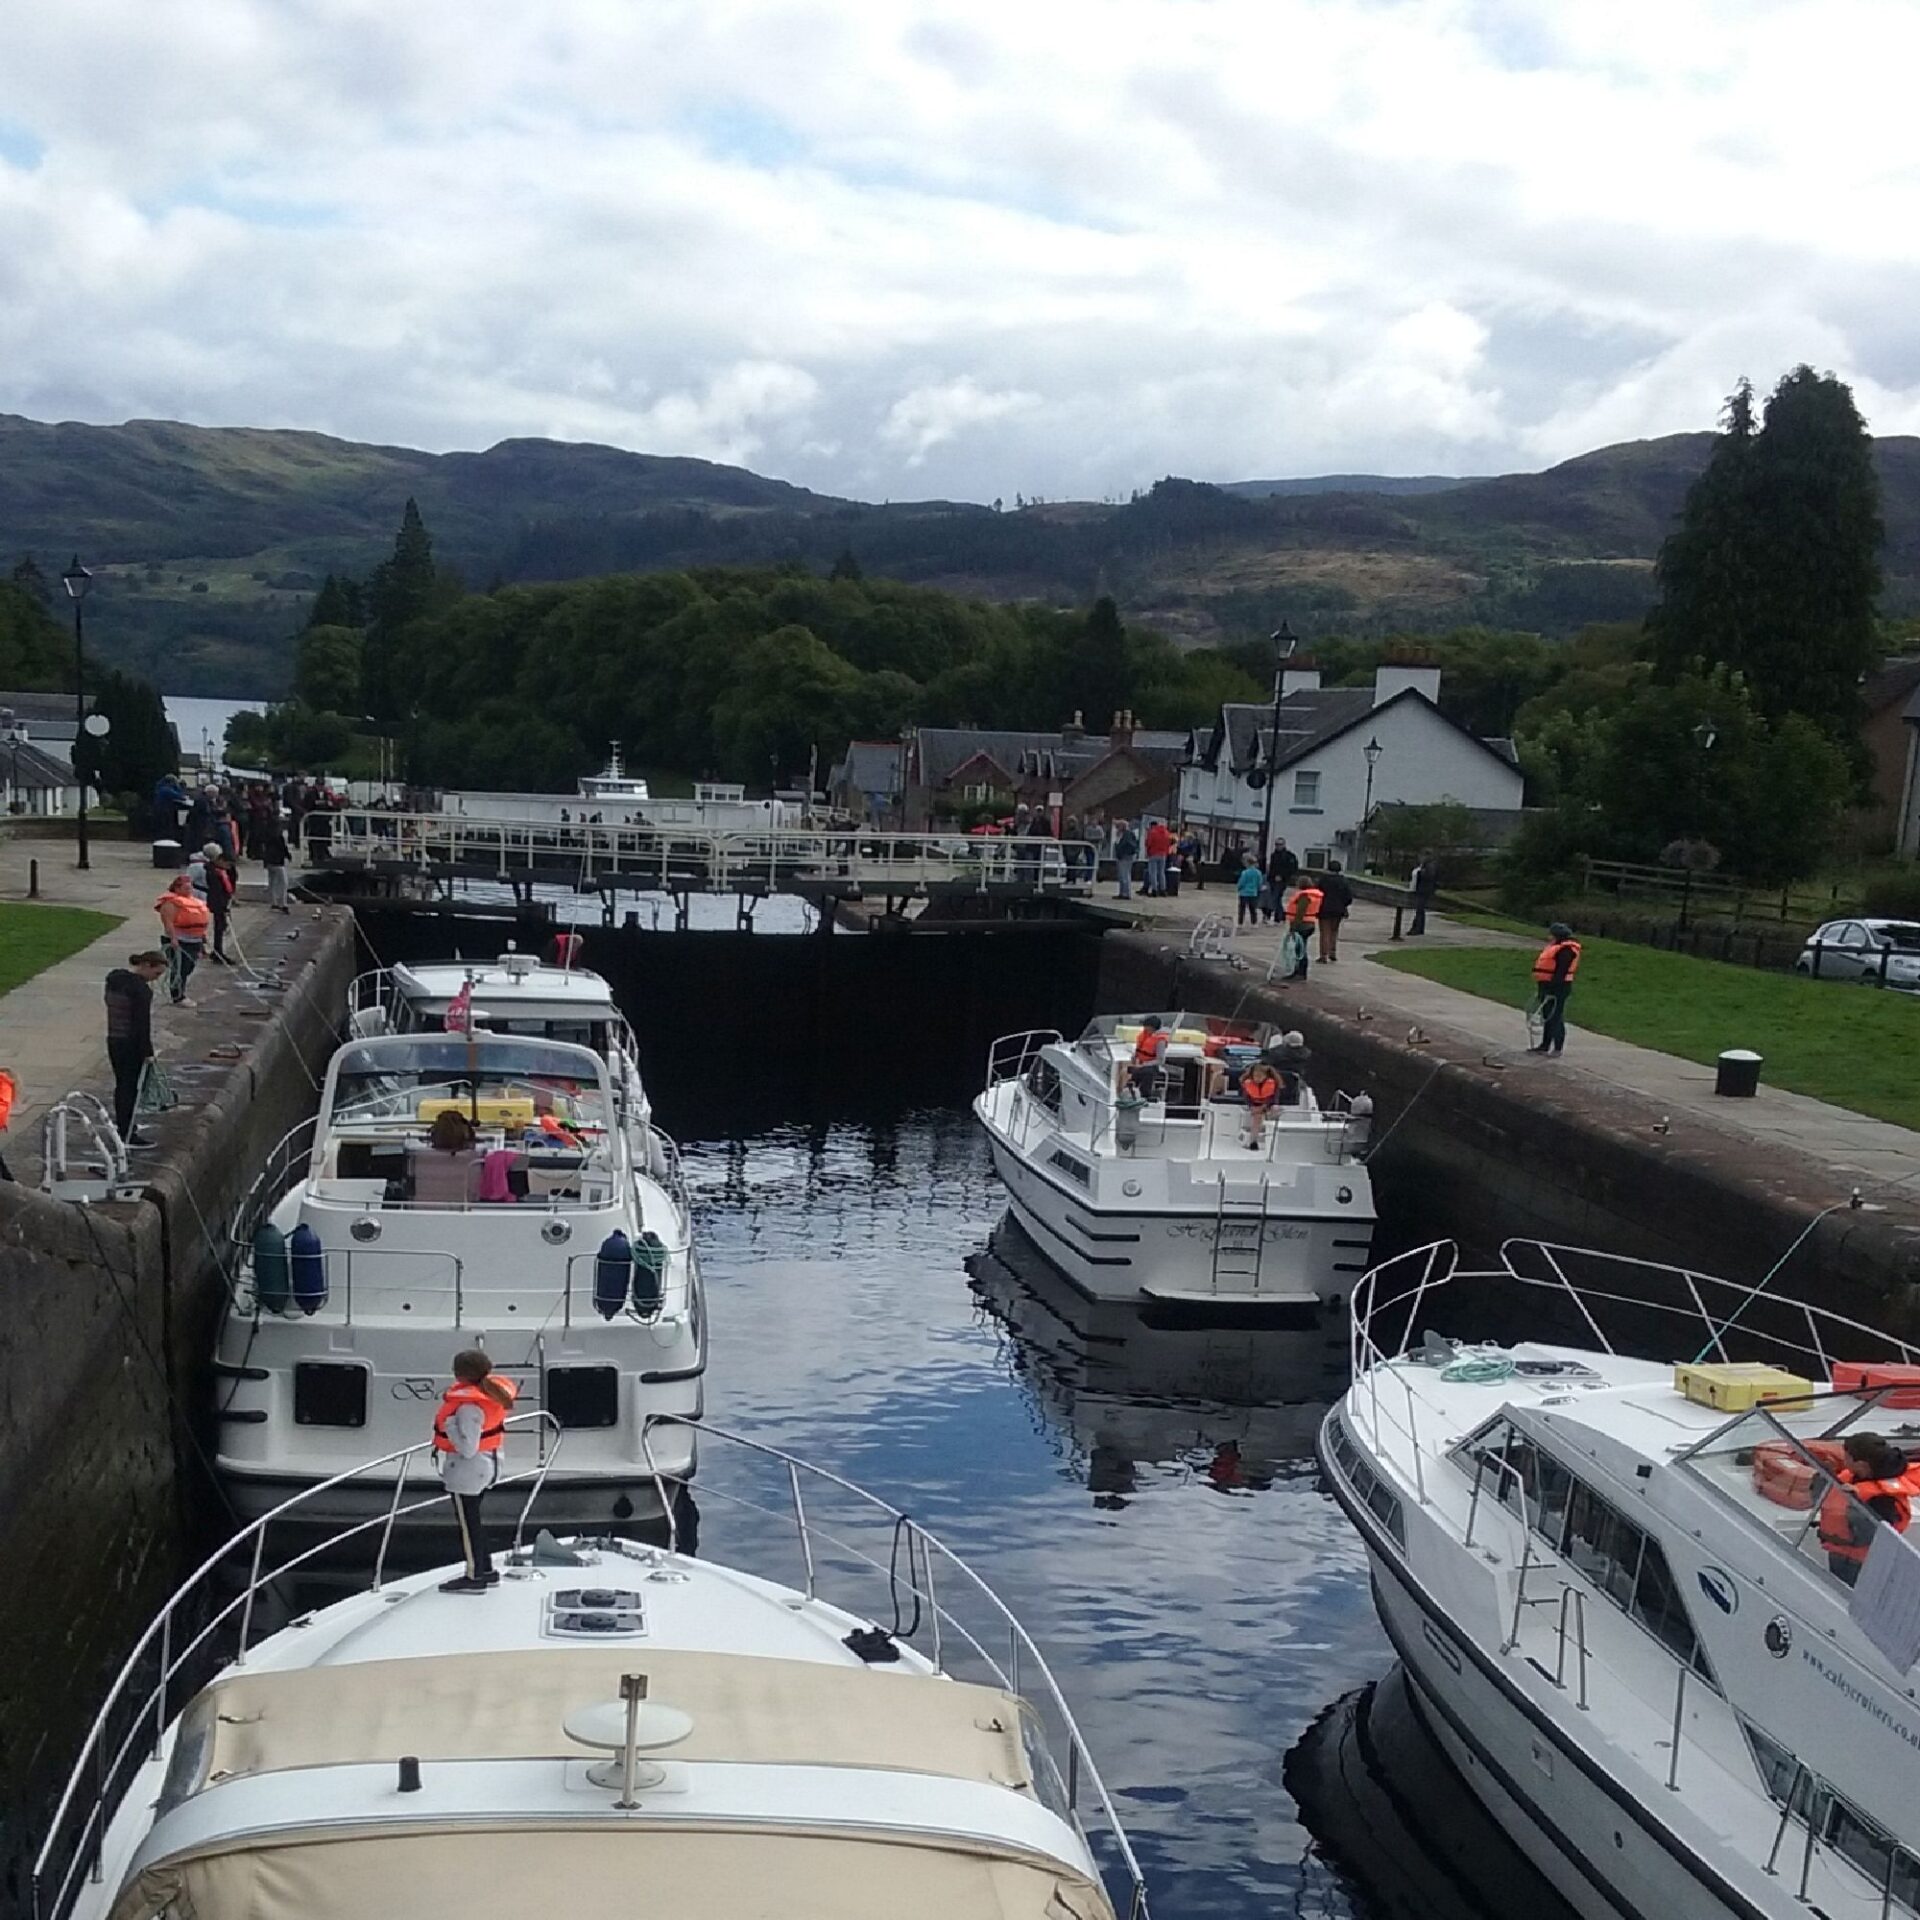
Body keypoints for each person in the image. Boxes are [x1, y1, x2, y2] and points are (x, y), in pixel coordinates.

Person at [432, 1349, 519, 1592]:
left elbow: (467, 1448)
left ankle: (474, 1577)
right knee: (475, 1523)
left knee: (469, 1527)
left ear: (460, 1375)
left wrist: (449, 1426)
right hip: (487, 1464)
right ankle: (486, 1569)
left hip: (468, 1470)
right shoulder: (490, 1396)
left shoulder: (468, 1407)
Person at [1817, 1435, 1912, 1586]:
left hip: (1858, 1562)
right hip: (1842, 1553)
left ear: (1860, 1464)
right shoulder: (1854, 1478)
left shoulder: (1882, 1500)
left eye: (1847, 1457)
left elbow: (1873, 1533)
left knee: (1847, 1597)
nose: (1844, 1459)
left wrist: (1851, 1510)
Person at [104, 952, 168, 1144]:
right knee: (130, 1088)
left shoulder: (114, 981)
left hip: (114, 1039)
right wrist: (147, 1052)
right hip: (131, 1044)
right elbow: (142, 1025)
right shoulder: (140, 991)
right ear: (147, 965)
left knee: (121, 1084)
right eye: (156, 974)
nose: (156, 979)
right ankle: (127, 1132)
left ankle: (123, 1125)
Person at [155, 874, 210, 1004]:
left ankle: (180, 993)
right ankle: (178, 996)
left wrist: (203, 936)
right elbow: (168, 923)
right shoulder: (170, 903)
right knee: (179, 969)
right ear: (177, 889)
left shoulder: (192, 901)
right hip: (179, 940)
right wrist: (173, 939)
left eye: (190, 888)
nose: (189, 891)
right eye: (186, 888)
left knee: (189, 966)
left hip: (194, 939)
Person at [1529, 923, 1581, 1057]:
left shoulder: (1566, 950)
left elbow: (1561, 971)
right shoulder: (1556, 947)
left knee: (1556, 1016)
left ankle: (1557, 1048)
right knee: (1547, 1016)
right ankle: (1544, 1045)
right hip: (1546, 985)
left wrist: (1552, 987)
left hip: (1558, 987)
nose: (1548, 937)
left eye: (1551, 934)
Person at [203, 843, 238, 964]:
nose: (228, 867)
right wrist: (222, 905)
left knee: (221, 927)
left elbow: (232, 880)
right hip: (216, 902)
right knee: (219, 926)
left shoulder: (224, 871)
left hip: (224, 900)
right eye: (227, 864)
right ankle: (218, 952)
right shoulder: (211, 871)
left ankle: (218, 951)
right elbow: (215, 890)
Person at [1284, 876, 1323, 982]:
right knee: (1300, 948)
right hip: (1309, 924)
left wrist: (1294, 927)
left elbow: (1300, 912)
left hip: (1302, 925)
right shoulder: (1313, 895)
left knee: (1300, 950)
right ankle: (1297, 971)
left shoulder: (1304, 896)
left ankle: (1301, 972)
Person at [1317, 858, 1354, 963]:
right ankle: (1332, 951)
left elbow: (1317, 893)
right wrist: (1343, 905)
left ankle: (1324, 954)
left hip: (1324, 909)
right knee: (1334, 931)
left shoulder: (1323, 880)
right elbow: (1348, 897)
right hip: (1338, 909)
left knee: (1325, 932)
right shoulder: (1343, 881)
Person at [1239, 1055, 1282, 1145]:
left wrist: (1264, 1107)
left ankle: (1272, 1139)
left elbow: (1274, 1098)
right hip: (1255, 1105)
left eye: (1260, 1076)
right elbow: (1247, 1098)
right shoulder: (1247, 1084)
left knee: (1275, 1110)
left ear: (1266, 1076)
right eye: (1255, 1076)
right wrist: (1252, 1107)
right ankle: (1253, 1141)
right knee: (1256, 1118)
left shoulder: (1273, 1083)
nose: (1257, 1078)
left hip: (1269, 1105)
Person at [1128, 1015, 1169, 1094]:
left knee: (1146, 1073)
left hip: (1151, 1067)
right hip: (1139, 1064)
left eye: (1147, 1027)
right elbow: (1139, 1049)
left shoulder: (1160, 1041)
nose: (1145, 1029)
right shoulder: (1144, 1035)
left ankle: (1145, 1095)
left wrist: (1145, 1064)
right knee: (1130, 1073)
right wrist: (1134, 1056)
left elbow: (1160, 1060)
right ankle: (1129, 1091)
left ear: (1153, 1028)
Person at [260, 815, 291, 912]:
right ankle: (283, 903)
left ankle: (273, 903)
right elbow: (283, 848)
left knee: (272, 882)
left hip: (269, 861)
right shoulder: (279, 836)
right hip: (278, 861)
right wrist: (288, 856)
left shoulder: (266, 834)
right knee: (283, 883)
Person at [1264, 838, 1300, 923]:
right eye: (1276, 844)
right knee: (1276, 898)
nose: (1278, 846)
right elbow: (1272, 868)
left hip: (1283, 881)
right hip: (1272, 880)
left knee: (1275, 897)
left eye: (1280, 844)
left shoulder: (1289, 856)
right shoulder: (1274, 855)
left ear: (1284, 845)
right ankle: (1281, 915)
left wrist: (1283, 876)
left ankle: (1274, 915)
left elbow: (1293, 869)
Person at [1143, 818, 1174, 897]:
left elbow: (1148, 843)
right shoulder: (1166, 832)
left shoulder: (1152, 832)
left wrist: (1148, 850)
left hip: (1153, 854)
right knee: (1161, 872)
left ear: (1152, 826)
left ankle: (1154, 890)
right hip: (1163, 854)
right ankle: (1163, 889)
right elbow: (1169, 843)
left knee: (1153, 872)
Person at [1409, 853, 1438, 936]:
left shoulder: (1429, 866)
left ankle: (1417, 928)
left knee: (1420, 909)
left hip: (1424, 890)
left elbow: (1429, 875)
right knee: (1419, 910)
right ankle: (1417, 928)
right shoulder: (1425, 865)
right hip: (1422, 889)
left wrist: (1420, 872)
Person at [1112, 819, 1139, 901]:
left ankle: (1125, 893)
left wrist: (1120, 850)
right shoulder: (1127, 834)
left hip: (1125, 856)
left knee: (1124, 875)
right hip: (1126, 856)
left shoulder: (1126, 834)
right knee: (1123, 875)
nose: (1117, 828)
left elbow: (1123, 844)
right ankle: (1122, 892)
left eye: (1118, 826)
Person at [1235, 852, 1264, 928]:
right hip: (1253, 893)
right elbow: (1259, 883)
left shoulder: (1245, 873)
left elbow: (1241, 882)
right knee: (1253, 909)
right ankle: (1254, 923)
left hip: (1244, 893)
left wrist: (1238, 888)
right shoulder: (1258, 873)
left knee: (1242, 909)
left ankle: (1240, 923)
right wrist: (1258, 889)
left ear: (1247, 863)